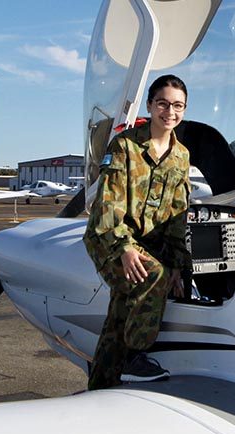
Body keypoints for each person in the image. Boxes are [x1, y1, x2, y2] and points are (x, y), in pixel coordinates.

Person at [83, 74, 192, 390]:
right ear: (150, 105)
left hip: (147, 243)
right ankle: (134, 356)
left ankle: (102, 386)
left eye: (177, 106)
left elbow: (176, 215)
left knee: (120, 317)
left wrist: (177, 264)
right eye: (163, 104)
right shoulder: (125, 145)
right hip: (109, 237)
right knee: (151, 275)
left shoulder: (181, 156)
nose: (169, 112)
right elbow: (106, 207)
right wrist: (124, 248)